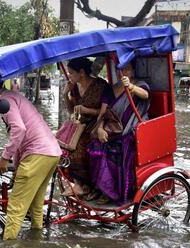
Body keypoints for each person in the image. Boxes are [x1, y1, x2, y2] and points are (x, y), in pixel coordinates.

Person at [0, 75, 62, 240]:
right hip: (51, 153)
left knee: (15, 209)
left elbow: (19, 130)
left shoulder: (3, 101)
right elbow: (20, 139)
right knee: (36, 206)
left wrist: (4, 158)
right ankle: (36, 243)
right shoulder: (12, 96)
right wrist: (15, 166)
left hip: (38, 153)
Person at [88, 62, 150, 204]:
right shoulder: (111, 89)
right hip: (111, 129)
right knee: (95, 144)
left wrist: (131, 87)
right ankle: (99, 187)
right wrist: (100, 129)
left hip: (131, 131)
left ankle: (109, 192)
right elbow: (104, 113)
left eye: (127, 68)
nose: (123, 72)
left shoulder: (140, 85)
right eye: (120, 69)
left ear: (133, 70)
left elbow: (145, 95)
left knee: (117, 149)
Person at [62, 57, 112, 200]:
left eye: (71, 73)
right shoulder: (75, 88)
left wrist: (86, 110)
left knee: (79, 147)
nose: (70, 76)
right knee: (63, 146)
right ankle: (80, 183)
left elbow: (106, 111)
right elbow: (72, 111)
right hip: (80, 124)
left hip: (98, 123)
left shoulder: (101, 86)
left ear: (81, 72)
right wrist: (65, 94)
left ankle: (86, 185)